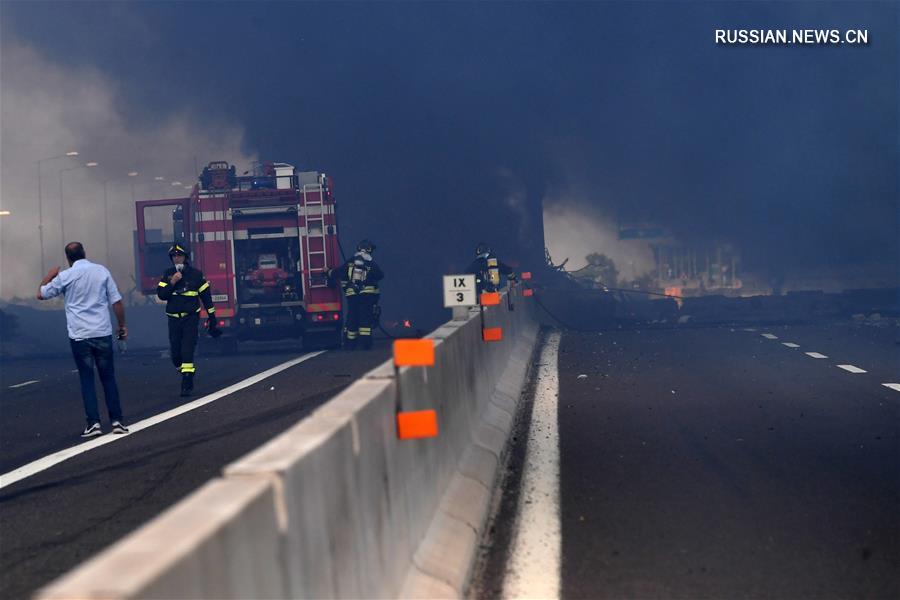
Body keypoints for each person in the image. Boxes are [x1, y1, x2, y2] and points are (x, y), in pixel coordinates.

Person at [37, 242, 129, 437]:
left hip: (80, 336)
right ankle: (117, 421)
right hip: (102, 332)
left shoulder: (65, 276)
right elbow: (117, 302)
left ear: (68, 258)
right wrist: (121, 326)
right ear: (84, 253)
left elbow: (41, 294)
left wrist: (50, 275)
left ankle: (94, 423)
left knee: (87, 379)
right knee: (108, 378)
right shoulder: (101, 271)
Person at [157, 243, 220, 396]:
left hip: (190, 318)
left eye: (179, 255)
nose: (176, 258)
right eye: (174, 256)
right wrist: (172, 282)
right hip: (174, 320)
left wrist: (212, 317)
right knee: (175, 354)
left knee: (187, 349)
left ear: (185, 257)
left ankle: (187, 381)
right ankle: (184, 371)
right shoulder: (167, 274)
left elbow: (206, 298)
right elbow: (161, 295)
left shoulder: (196, 275)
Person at [335, 240, 383, 350]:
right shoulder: (370, 263)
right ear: (369, 250)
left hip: (352, 297)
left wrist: (328, 272)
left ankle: (350, 344)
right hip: (367, 297)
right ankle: (365, 344)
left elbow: (339, 272)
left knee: (352, 318)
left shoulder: (351, 261)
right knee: (365, 320)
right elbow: (380, 275)